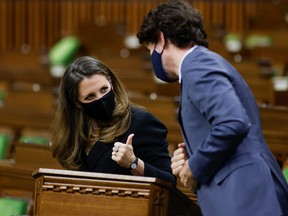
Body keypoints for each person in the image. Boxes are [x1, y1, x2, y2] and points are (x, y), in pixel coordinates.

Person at [137, 0, 288, 215]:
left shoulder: (197, 65)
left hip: (245, 197)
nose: (152, 57)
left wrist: (194, 167)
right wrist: (191, 154)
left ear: (161, 39)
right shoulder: (201, 64)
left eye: (150, 49)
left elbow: (232, 122)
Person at [50, 56, 175, 184]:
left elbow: (168, 181)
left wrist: (134, 163)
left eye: (104, 89)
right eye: (90, 96)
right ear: (77, 103)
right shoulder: (78, 131)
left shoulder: (141, 121)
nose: (101, 99)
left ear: (112, 84)